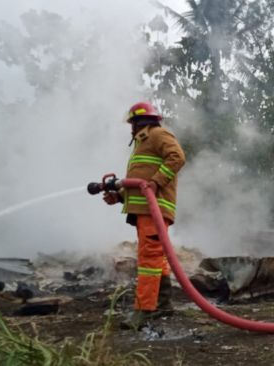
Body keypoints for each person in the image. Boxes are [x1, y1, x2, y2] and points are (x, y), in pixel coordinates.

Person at [103, 101, 186, 329]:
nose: (131, 127)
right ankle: (164, 304)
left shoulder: (158, 134)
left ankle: (144, 310)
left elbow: (177, 157)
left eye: (132, 123)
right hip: (146, 211)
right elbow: (139, 182)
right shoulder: (142, 143)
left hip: (155, 209)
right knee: (156, 257)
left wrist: (155, 183)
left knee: (148, 259)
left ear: (139, 121)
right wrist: (119, 196)